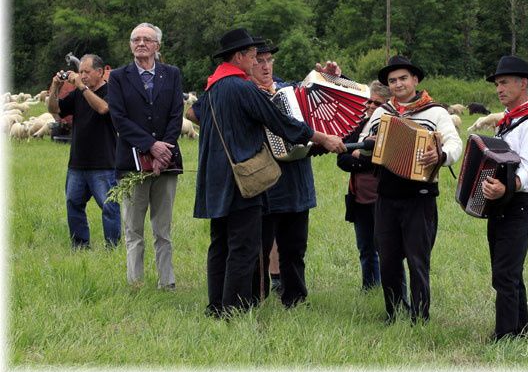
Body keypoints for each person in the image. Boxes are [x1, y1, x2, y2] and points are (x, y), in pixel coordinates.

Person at [194, 27, 346, 318]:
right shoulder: (242, 87)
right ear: (238, 56)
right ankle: (235, 310)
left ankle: (216, 307)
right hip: (243, 179)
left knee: (220, 245)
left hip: (217, 180)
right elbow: (280, 122)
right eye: (253, 56)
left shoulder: (214, 87)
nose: (256, 62)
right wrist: (323, 138)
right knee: (244, 248)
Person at [360, 55, 463, 323]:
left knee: (418, 260)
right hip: (386, 195)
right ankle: (392, 312)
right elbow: (362, 142)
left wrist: (440, 155)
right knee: (388, 259)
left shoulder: (436, 112)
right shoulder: (382, 113)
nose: (398, 84)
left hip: (420, 196)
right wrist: (369, 144)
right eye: (392, 81)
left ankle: (420, 316)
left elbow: (455, 144)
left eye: (403, 78)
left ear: (415, 80)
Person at [249, 39, 343, 307]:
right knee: (259, 248)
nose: (265, 67)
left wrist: (331, 80)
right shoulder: (244, 93)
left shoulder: (290, 89)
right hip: (263, 181)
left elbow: (324, 106)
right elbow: (197, 113)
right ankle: (256, 299)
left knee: (295, 247)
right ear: (247, 63)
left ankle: (296, 298)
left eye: (269, 61)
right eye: (259, 61)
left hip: (296, 181)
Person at [107, 22, 184, 290]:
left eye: (146, 40)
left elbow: (177, 114)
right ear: (130, 45)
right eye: (136, 39)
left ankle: (167, 281)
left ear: (157, 46)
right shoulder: (118, 77)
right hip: (132, 163)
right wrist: (151, 145)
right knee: (133, 229)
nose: (141, 43)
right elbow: (119, 118)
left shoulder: (172, 74)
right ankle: (135, 282)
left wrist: (164, 150)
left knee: (163, 228)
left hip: (167, 163)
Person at [482, 55, 528, 341]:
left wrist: (506, 188)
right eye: (497, 84)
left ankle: (505, 335)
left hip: (520, 205)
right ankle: (522, 331)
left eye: (505, 83)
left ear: (523, 84)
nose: (499, 89)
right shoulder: (509, 122)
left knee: (505, 274)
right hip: (503, 203)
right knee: (509, 271)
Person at [47, 54, 120, 249]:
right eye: (80, 72)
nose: (83, 76)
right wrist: (55, 87)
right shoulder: (78, 94)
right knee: (73, 204)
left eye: (86, 72)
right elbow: (55, 110)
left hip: (104, 163)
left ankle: (113, 247)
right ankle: (80, 245)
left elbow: (103, 108)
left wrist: (81, 86)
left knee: (109, 207)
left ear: (100, 71)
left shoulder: (112, 90)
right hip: (77, 163)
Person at [337, 80, 391, 290]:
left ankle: (390, 289)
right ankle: (369, 287)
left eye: (376, 103)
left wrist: (359, 156)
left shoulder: (390, 129)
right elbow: (342, 158)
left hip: (381, 198)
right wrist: (362, 158)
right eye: (368, 101)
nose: (370, 106)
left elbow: (385, 158)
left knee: (387, 249)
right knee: (365, 248)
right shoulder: (358, 125)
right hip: (358, 196)